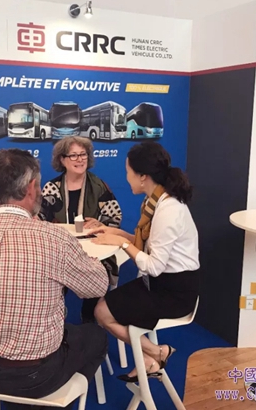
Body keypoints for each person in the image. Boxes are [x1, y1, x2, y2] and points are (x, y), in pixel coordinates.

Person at [0, 148, 109, 410]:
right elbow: (97, 286)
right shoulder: (53, 238)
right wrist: (89, 260)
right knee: (96, 336)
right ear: (31, 188)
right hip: (34, 375)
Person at [91, 141, 200, 382]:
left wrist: (122, 244)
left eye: (128, 172)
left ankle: (157, 352)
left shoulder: (168, 209)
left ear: (143, 176)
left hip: (174, 292)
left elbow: (153, 265)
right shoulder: (155, 202)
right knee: (104, 306)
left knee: (102, 312)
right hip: (158, 283)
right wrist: (118, 234)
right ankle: (152, 358)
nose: (126, 178)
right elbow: (151, 245)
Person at [39, 136, 122, 322]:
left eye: (83, 154)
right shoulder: (52, 188)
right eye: (74, 155)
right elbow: (40, 220)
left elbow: (114, 216)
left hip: (94, 254)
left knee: (96, 280)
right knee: (47, 277)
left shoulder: (99, 186)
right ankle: (55, 323)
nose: (80, 159)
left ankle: (91, 324)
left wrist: (102, 225)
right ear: (62, 160)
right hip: (60, 253)